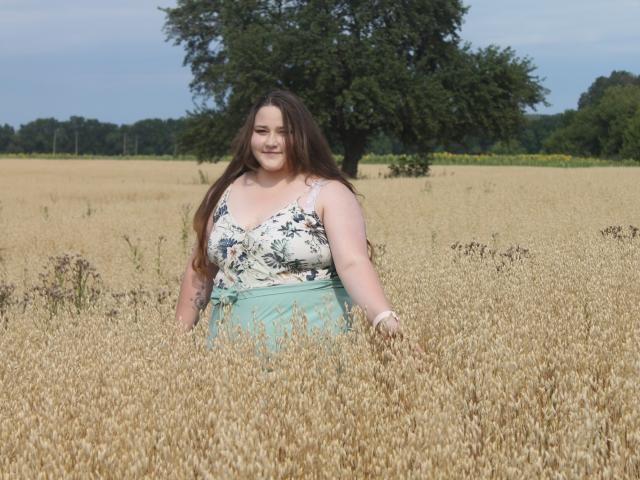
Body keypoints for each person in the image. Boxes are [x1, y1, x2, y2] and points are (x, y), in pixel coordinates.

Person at [175, 90, 402, 351]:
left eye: (284, 132)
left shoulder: (327, 193)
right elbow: (200, 270)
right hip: (229, 360)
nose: (271, 141)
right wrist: (177, 346)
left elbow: (353, 263)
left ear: (302, 137)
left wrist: (385, 320)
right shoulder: (223, 192)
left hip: (312, 356)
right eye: (261, 131)